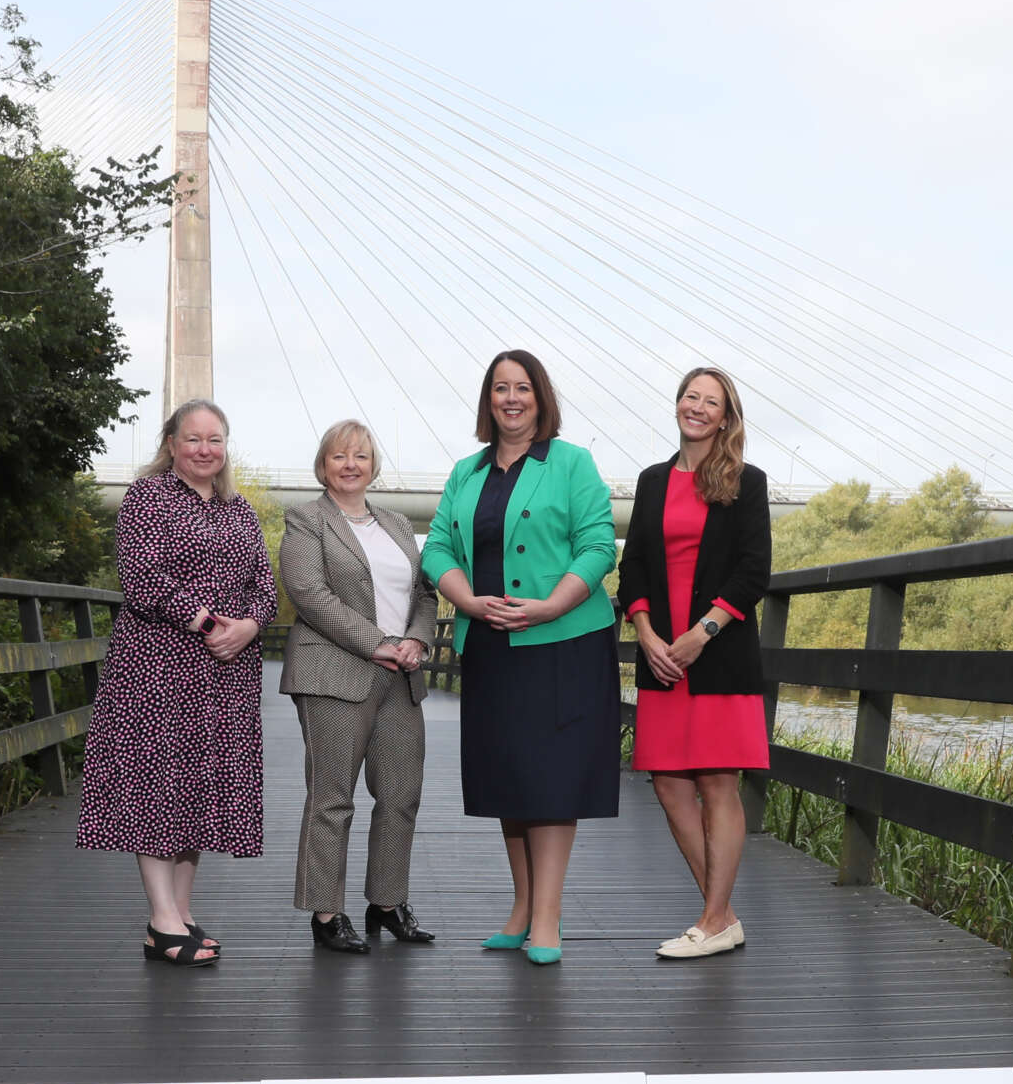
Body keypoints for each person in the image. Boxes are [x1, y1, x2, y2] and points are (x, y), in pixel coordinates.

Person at [421, 350, 619, 965]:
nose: (512, 398)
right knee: (508, 776)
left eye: (523, 388)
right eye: (501, 388)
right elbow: (436, 550)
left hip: (561, 643)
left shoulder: (572, 463)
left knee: (551, 780)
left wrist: (548, 607)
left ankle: (549, 920)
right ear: (488, 400)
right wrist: (469, 604)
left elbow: (596, 546)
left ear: (541, 398)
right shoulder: (466, 471)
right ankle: (522, 907)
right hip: (492, 643)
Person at [75, 399, 278, 967]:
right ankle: (161, 919)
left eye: (215, 439)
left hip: (225, 672)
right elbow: (142, 577)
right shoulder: (147, 498)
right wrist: (211, 623)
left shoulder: (239, 511)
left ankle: (182, 914)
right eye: (193, 439)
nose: (204, 449)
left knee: (198, 786)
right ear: (171, 444)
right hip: (158, 667)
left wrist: (249, 625)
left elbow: (264, 583)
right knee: (156, 784)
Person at [617, 367, 771, 959]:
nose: (698, 408)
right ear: (677, 404)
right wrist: (649, 634)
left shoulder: (745, 481)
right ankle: (724, 914)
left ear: (726, 417)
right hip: (663, 659)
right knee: (669, 784)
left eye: (712, 402)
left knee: (717, 781)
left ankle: (710, 919)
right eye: (690, 397)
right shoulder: (652, 481)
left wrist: (700, 634)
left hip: (719, 654)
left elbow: (753, 570)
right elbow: (634, 570)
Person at [279, 421, 439, 953]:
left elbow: (425, 593)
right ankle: (326, 914)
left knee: (400, 795)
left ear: (374, 465)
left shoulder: (396, 523)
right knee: (333, 799)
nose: (351, 464)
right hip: (334, 673)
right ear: (323, 464)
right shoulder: (307, 520)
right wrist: (379, 643)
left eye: (361, 455)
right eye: (339, 455)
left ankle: (387, 904)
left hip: (400, 675)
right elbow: (308, 592)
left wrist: (415, 640)